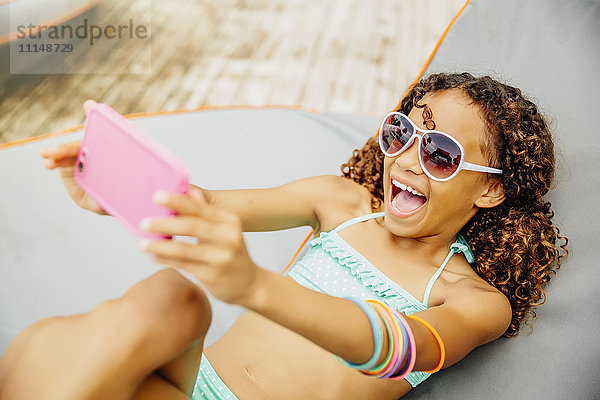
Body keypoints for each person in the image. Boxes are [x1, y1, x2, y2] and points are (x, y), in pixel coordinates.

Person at [0, 73, 567, 400]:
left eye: (440, 154)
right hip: (188, 388)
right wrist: (109, 187)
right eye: (403, 132)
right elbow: (206, 205)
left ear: (490, 191)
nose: (408, 160)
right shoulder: (340, 203)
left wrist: (253, 285)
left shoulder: (474, 302)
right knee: (171, 296)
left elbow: (397, 349)